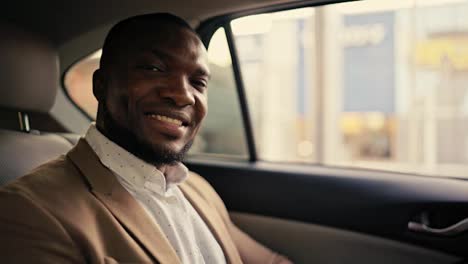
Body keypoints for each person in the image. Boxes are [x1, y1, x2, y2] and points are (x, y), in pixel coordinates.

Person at [0, 13, 292, 264]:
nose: (182, 95)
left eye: (198, 82)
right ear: (101, 86)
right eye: (153, 68)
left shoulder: (196, 189)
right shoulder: (30, 211)